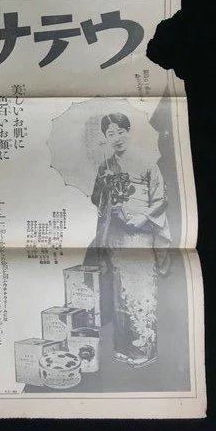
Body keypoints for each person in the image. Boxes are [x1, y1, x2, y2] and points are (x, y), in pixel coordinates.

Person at [84, 112, 169, 368]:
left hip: (140, 233)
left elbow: (160, 198)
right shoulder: (105, 166)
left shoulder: (146, 162)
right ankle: (123, 346)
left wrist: (143, 218)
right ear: (106, 138)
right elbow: (96, 200)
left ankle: (144, 349)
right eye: (111, 133)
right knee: (119, 291)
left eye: (121, 131)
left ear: (128, 132)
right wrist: (104, 187)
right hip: (116, 234)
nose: (117, 137)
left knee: (139, 290)